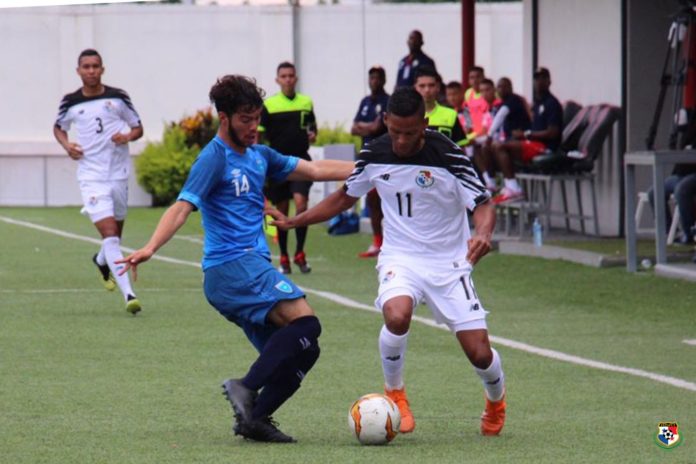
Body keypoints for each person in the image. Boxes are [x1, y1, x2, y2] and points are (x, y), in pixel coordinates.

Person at [117, 75, 354, 443]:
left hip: (248, 270)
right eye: (245, 119)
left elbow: (314, 169)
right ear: (224, 118)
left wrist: (370, 168)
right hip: (232, 266)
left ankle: (254, 419)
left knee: (304, 351)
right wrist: (151, 247)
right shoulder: (213, 158)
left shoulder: (260, 155)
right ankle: (245, 386)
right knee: (307, 323)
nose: (253, 127)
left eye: (256, 118)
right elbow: (182, 206)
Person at [269, 87, 507, 437]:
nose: (401, 141)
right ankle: (395, 393)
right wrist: (296, 220)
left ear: (424, 124)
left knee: (480, 354)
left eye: (410, 133)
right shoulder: (374, 152)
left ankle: (496, 401)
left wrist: (483, 233)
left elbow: (483, 204)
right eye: (395, 131)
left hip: (449, 262)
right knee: (396, 315)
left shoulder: (449, 156)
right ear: (385, 121)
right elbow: (344, 198)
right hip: (401, 256)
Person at [53, 48, 144, 315]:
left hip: (118, 175)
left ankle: (101, 260)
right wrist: (67, 145)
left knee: (114, 237)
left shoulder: (118, 97)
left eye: (95, 66)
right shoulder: (70, 102)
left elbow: (138, 127)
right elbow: (58, 127)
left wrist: (127, 137)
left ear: (102, 69)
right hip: (91, 177)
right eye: (86, 67)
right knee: (110, 236)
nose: (91, 71)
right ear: (78, 71)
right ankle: (129, 295)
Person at [259, 62, 317, 274]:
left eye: (291, 75)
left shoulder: (306, 102)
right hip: (278, 164)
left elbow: (312, 128)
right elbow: (259, 134)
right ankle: (284, 256)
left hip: (301, 162)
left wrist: (312, 134)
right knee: (281, 211)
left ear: (296, 78)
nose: (288, 79)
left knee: (301, 205)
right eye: (283, 76)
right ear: (277, 80)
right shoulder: (269, 105)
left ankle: (300, 252)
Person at [492, 67, 563, 204]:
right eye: (536, 78)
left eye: (543, 78)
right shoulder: (537, 103)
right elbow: (533, 129)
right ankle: (498, 186)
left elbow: (552, 133)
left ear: (549, 81)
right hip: (533, 144)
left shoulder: (552, 103)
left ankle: (514, 189)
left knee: (500, 147)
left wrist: (527, 134)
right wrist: (521, 135)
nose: (539, 82)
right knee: (493, 147)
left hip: (546, 148)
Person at [351, 66, 390, 258]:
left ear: (384, 80)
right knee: (372, 201)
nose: (374, 81)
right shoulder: (365, 101)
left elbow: (378, 128)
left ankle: (392, 242)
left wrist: (364, 127)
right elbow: (353, 128)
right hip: (367, 159)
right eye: (371, 77)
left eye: (377, 78)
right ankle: (377, 242)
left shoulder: (388, 101)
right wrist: (368, 127)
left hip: (386, 157)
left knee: (388, 201)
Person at [414, 67, 467, 147]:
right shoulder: (408, 115)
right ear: (415, 88)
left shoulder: (451, 114)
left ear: (438, 87)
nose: (427, 90)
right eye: (422, 86)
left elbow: (460, 147)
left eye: (431, 85)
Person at [648, 164, 696, 244]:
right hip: (680, 175)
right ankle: (670, 232)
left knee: (681, 190)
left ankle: (689, 233)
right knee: (654, 193)